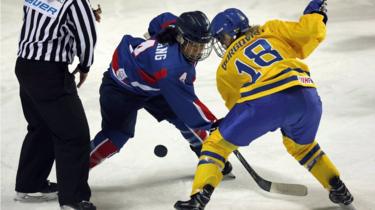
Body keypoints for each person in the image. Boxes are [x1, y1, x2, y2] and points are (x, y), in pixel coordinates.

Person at [174, 1, 354, 209]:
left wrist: (225, 126)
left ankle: (198, 198)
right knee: (303, 147)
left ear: (228, 35)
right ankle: (337, 187)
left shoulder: (224, 68)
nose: (222, 43)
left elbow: (238, 105)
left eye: (221, 38)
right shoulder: (270, 29)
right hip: (306, 95)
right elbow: (309, 32)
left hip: (263, 104)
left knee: (216, 144)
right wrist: (315, 14)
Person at [88, 11, 233, 176]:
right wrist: (214, 125)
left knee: (184, 120)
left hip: (154, 82)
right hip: (121, 88)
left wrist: (153, 39)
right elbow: (187, 105)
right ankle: (74, 171)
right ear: (180, 38)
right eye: (194, 45)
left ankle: (209, 156)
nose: (198, 51)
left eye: (202, 45)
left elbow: (161, 19)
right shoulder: (172, 68)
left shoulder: (174, 25)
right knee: (117, 135)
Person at [14, 0, 99, 209]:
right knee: (73, 135)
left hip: (25, 65)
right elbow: (87, 38)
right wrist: (85, 65)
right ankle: (74, 199)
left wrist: (84, 13)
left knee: (42, 127)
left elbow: (38, 19)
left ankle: (30, 184)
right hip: (49, 73)